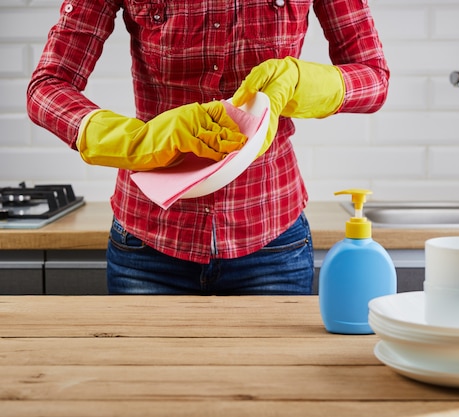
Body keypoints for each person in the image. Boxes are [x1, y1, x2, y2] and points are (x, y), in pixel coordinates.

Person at [27, 0, 390, 295]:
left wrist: (303, 81)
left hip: (272, 240)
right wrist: (137, 140)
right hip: (149, 244)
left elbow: (374, 77)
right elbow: (47, 86)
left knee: (278, 385)